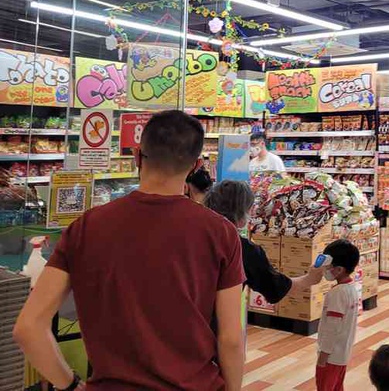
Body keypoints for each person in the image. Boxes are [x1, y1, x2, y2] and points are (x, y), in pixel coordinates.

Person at [14, 110, 245, 390]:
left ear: (137, 156)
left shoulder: (87, 227)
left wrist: (71, 385)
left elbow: (28, 328)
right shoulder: (220, 232)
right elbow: (231, 339)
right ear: (196, 166)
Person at [203, 180, 326, 301]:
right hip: (215, 317)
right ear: (242, 214)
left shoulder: (193, 236)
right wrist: (310, 279)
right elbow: (276, 288)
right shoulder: (244, 250)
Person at [316, 239, 361, 391]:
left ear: (339, 269)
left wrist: (323, 355)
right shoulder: (351, 289)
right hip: (343, 354)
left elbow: (332, 328)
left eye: (329, 267)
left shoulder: (337, 293)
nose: (326, 270)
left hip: (331, 356)